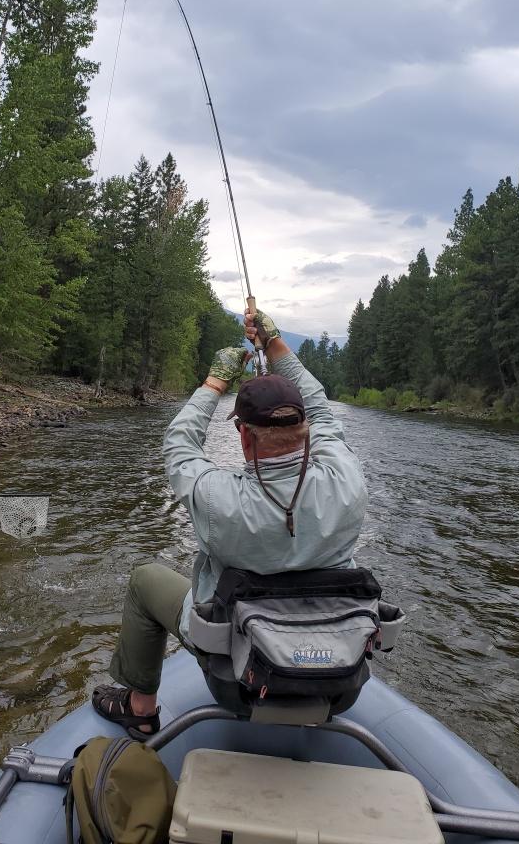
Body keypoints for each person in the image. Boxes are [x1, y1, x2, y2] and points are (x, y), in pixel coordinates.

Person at [91, 309, 368, 737]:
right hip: (339, 686)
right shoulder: (347, 479)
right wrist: (274, 342)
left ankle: (140, 708)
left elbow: (179, 442)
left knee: (146, 579)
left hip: (239, 683)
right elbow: (319, 405)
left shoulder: (218, 496)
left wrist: (214, 382)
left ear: (242, 435)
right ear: (307, 431)